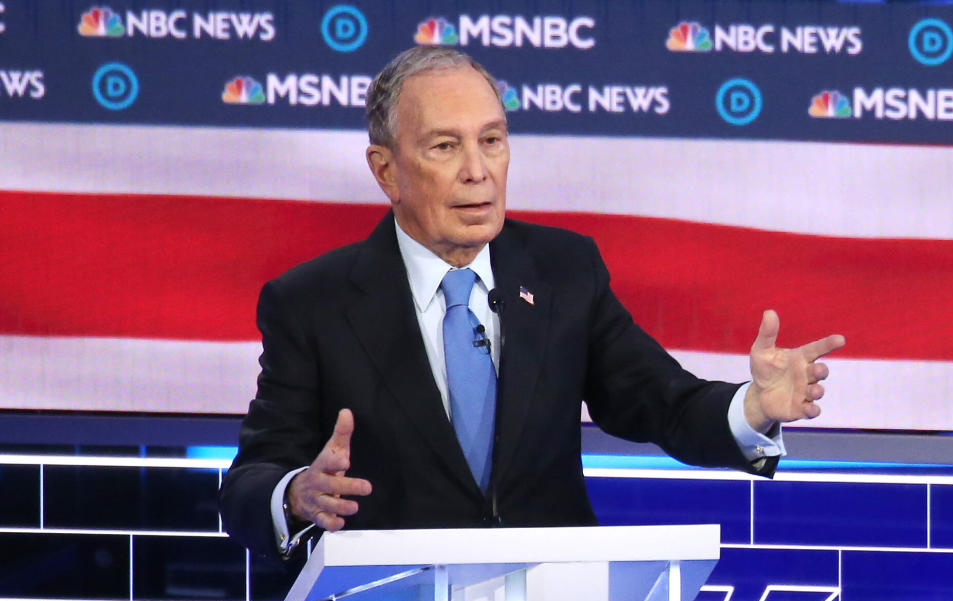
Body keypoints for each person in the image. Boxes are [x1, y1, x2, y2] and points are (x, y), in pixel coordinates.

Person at [218, 46, 844, 562]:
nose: (478, 171)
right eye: (444, 147)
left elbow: (662, 402)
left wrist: (753, 407)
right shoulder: (312, 303)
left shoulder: (564, 271)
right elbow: (248, 482)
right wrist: (297, 493)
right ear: (386, 171)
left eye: (492, 140)